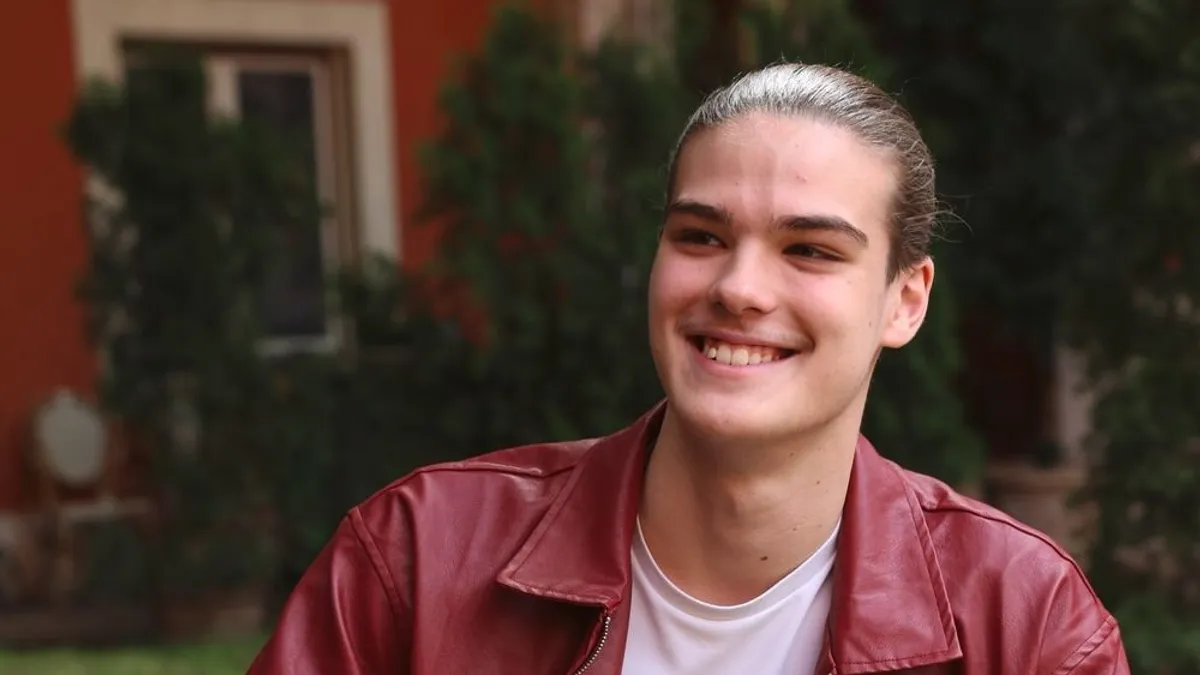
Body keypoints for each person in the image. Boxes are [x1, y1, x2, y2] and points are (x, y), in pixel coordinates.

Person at [246, 62, 1129, 674]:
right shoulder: (420, 557)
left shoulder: (1024, 621)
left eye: (810, 249)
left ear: (905, 300)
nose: (739, 287)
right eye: (701, 236)